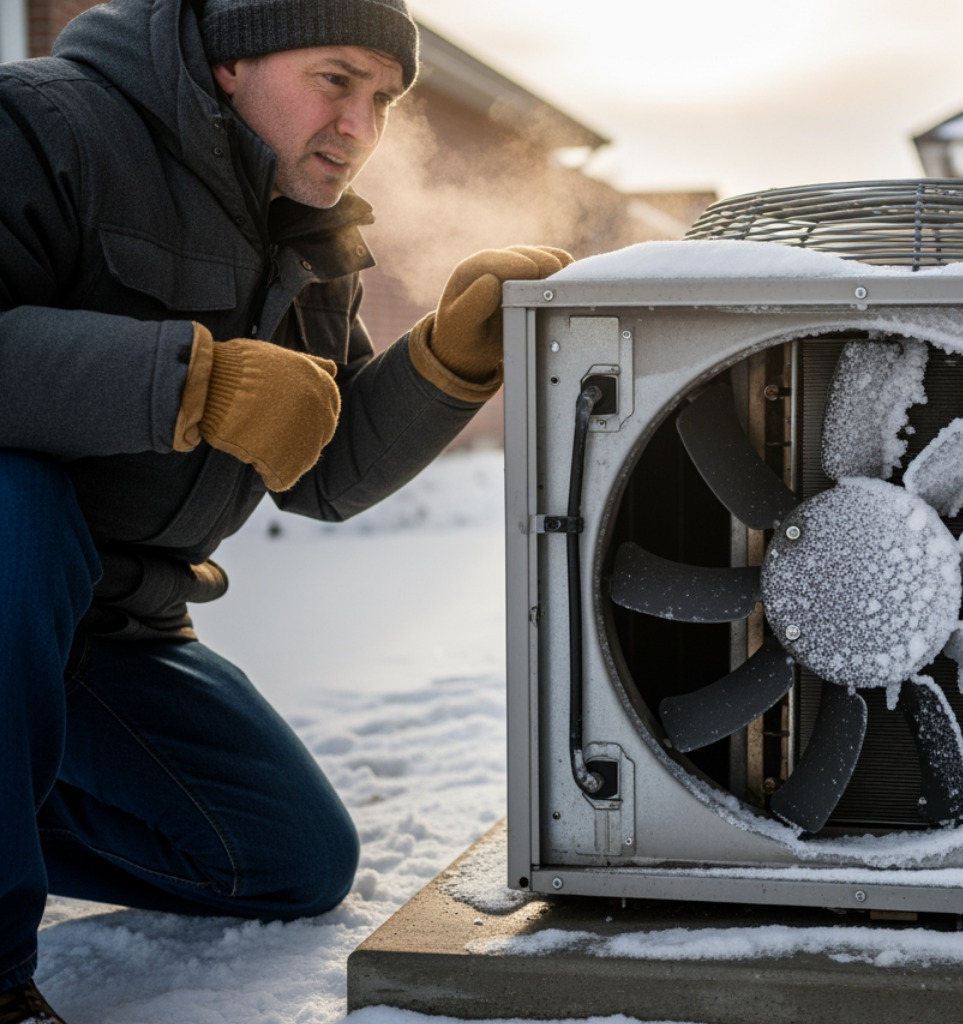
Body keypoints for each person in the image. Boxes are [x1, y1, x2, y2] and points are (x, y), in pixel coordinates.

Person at [0, 0, 568, 1019]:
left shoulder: (307, 230)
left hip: (114, 629)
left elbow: (323, 466)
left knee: (282, 858)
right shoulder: (46, 127)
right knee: (15, 500)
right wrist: (190, 382)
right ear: (231, 62)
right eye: (335, 80)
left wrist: (448, 358)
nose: (362, 126)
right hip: (12, 576)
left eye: (384, 98)